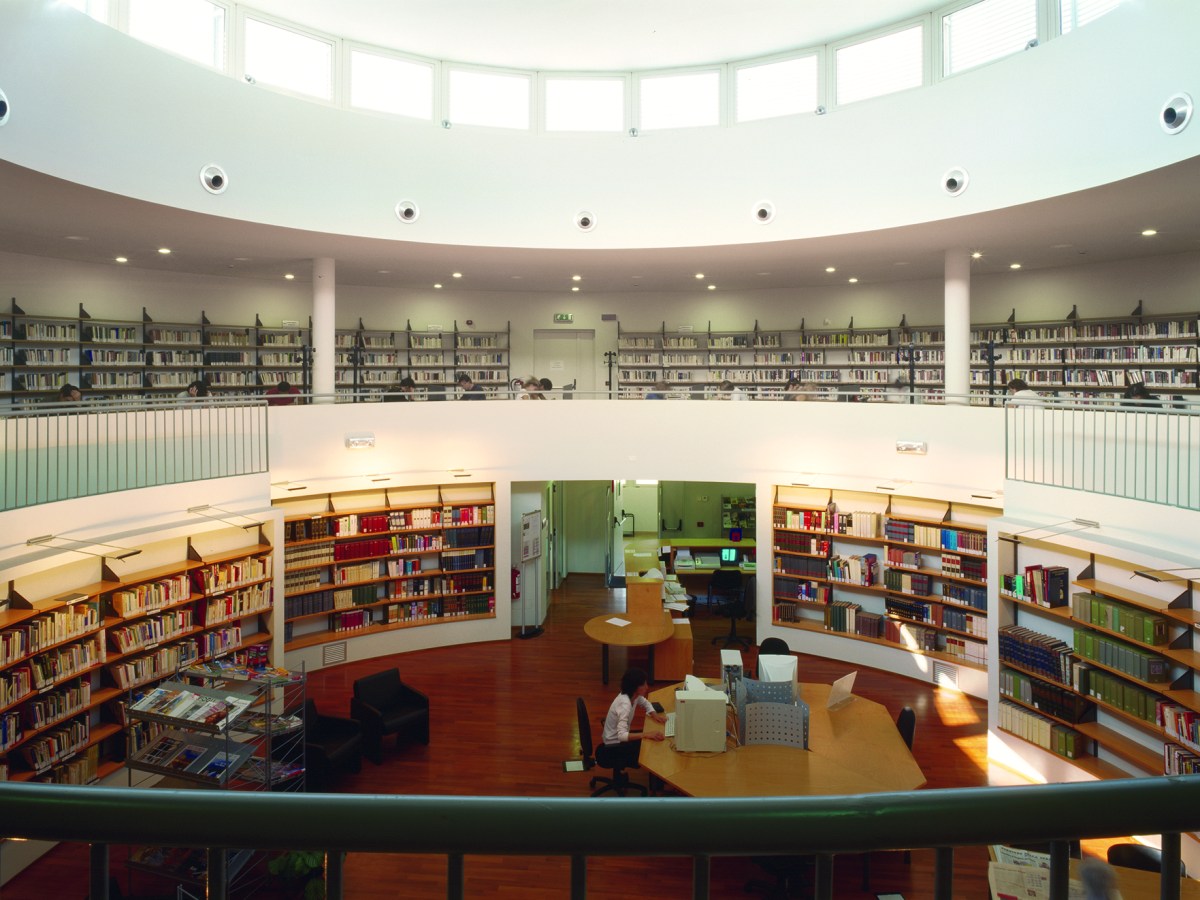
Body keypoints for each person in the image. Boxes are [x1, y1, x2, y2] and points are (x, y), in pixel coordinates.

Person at [601, 667, 667, 772]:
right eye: (643, 684)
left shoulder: (634, 696)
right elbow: (621, 736)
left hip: (619, 737)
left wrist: (655, 715)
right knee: (651, 747)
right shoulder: (625, 705)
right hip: (614, 745)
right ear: (635, 687)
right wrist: (646, 734)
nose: (647, 687)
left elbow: (645, 703)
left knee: (650, 740)